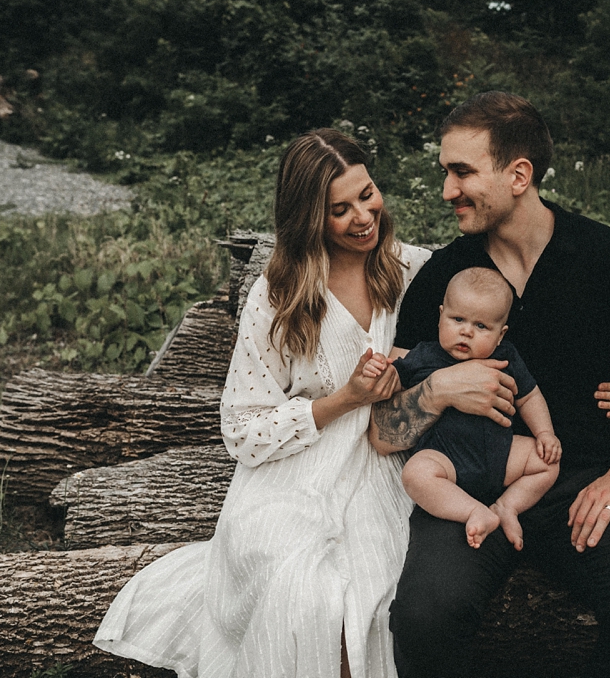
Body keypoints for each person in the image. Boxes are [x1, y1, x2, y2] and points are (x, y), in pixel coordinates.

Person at [368, 92, 610, 678]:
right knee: (423, 619)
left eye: (462, 172)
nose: (447, 190)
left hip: (580, 480)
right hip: (465, 486)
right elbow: (385, 431)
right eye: (445, 171)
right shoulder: (445, 278)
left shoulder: (606, 256)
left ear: (519, 174)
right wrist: (438, 391)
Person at [93, 128, 432, 678]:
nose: (363, 217)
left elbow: (495, 304)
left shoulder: (412, 270)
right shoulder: (280, 295)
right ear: (308, 218)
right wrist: (344, 397)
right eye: (339, 210)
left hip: (384, 462)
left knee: (369, 599)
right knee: (303, 593)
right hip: (295, 467)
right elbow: (243, 430)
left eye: (367, 194)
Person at [364, 266, 561, 551]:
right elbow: (394, 383)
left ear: (500, 334)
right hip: (445, 459)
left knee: (547, 462)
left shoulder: (506, 358)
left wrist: (545, 433)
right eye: (457, 319)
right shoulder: (424, 355)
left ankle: (508, 506)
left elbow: (529, 397)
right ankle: (471, 510)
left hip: (501, 454)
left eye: (481, 326)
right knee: (416, 474)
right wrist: (380, 370)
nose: (466, 331)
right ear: (441, 315)